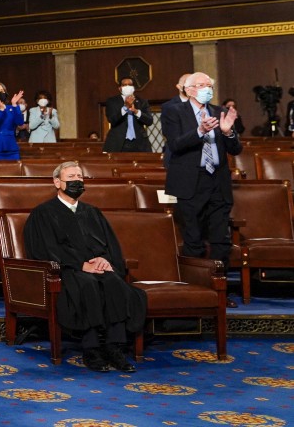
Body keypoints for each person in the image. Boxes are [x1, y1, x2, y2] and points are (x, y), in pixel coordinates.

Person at [24, 161, 146, 373]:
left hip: (96, 267)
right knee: (87, 285)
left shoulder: (92, 212)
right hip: (67, 270)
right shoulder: (43, 213)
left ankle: (114, 347)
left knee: (113, 282)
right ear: (57, 182)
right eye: (71, 177)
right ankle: (91, 349)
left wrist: (104, 260)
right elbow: (44, 250)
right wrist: (81, 265)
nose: (77, 181)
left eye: (80, 177)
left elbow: (109, 245)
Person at [163, 72, 242, 306]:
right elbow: (175, 144)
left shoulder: (220, 111)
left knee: (220, 240)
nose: (206, 88)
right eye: (200, 85)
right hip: (190, 181)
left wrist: (228, 132)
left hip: (218, 181)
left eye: (209, 85)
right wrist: (199, 131)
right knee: (194, 239)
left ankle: (219, 290)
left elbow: (235, 150)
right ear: (188, 90)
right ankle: (195, 290)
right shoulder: (174, 111)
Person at [103, 77, 153, 153]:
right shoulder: (112, 101)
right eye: (124, 85)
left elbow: (149, 121)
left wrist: (136, 111)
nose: (127, 87)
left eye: (129, 85)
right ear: (120, 88)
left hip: (139, 143)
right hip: (119, 143)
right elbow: (112, 119)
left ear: (133, 88)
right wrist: (125, 107)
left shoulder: (142, 102)